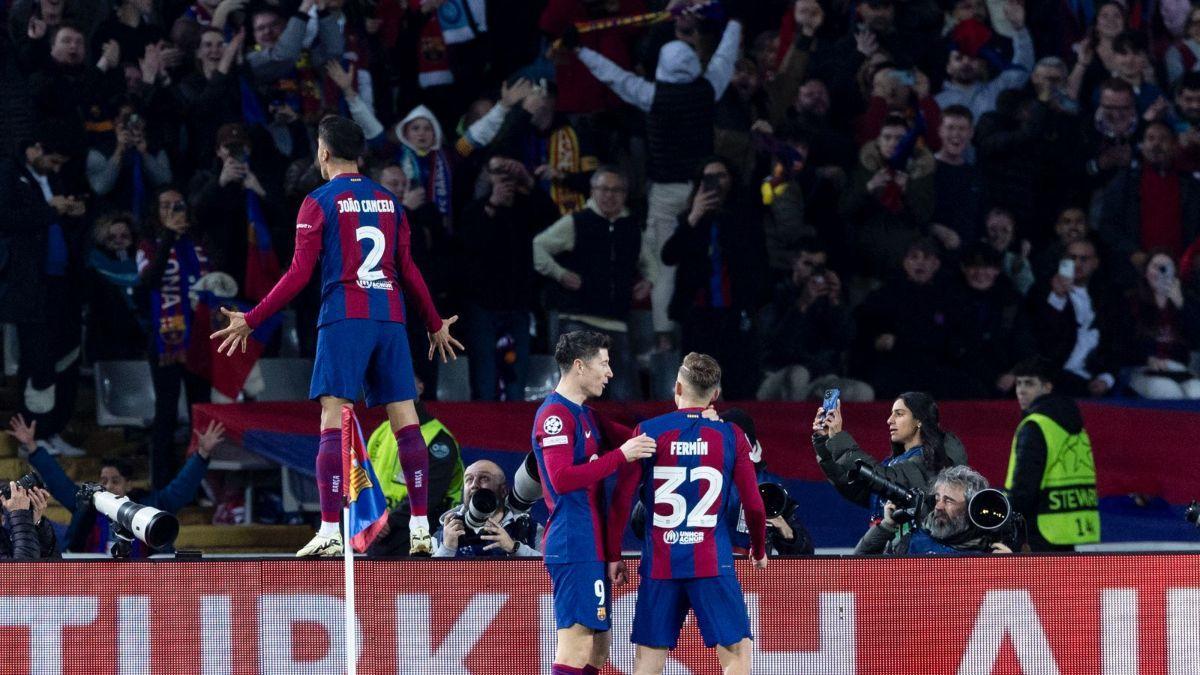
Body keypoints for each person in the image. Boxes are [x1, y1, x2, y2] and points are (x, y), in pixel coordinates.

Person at [210, 115, 463, 557]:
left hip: (345, 317)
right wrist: (435, 322)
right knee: (407, 420)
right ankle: (422, 525)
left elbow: (298, 275)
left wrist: (252, 319)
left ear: (323, 153)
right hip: (390, 318)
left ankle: (329, 529)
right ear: (359, 154)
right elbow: (409, 270)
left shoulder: (318, 201)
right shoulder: (389, 200)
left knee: (334, 420)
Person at [605, 352, 766, 675]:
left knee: (647, 663)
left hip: (660, 565)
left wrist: (613, 554)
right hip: (711, 562)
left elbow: (621, 501)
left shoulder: (648, 431)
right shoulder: (731, 436)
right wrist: (758, 549)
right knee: (736, 658)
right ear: (715, 396)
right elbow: (754, 504)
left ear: (677, 387)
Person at [531, 330, 655, 675]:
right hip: (573, 543)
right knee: (575, 646)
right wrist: (620, 456)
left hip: (592, 544)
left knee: (598, 650)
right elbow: (562, 478)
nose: (610, 372)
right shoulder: (555, 415)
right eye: (604, 363)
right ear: (579, 366)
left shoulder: (586, 414)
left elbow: (640, 438)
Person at [10, 413, 220, 557]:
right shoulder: (87, 505)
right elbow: (58, 481)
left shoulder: (150, 506)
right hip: (91, 582)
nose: (108, 486)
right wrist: (32, 447)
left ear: (128, 485)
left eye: (115, 481)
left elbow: (181, 488)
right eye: (103, 481)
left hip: (142, 582)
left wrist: (202, 455)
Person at [532, 167, 655, 401]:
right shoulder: (576, 222)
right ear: (593, 191)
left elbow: (650, 262)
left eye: (616, 190)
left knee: (625, 398)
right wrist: (560, 273)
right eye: (604, 189)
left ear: (625, 193)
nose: (610, 195)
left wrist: (649, 281)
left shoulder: (631, 228)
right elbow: (538, 246)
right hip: (577, 321)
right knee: (578, 396)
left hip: (618, 322)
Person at [812, 391, 967, 549]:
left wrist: (838, 437)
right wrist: (825, 440)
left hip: (915, 556)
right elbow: (855, 487)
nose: (889, 420)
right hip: (889, 549)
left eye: (899, 414)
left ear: (919, 420)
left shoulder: (931, 463)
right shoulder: (896, 462)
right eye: (891, 414)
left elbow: (883, 479)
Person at [137, 186, 213, 490]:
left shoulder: (199, 244)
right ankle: (163, 486)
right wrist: (168, 237)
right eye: (164, 205)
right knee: (166, 413)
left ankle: (200, 483)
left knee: (201, 411)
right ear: (155, 213)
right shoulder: (148, 246)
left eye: (177, 204)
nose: (172, 211)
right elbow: (149, 282)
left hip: (200, 340)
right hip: (165, 341)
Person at [1006, 356, 1100, 552]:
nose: (1021, 391)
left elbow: (1025, 485)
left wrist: (1010, 518)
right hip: (1069, 526)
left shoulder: (1035, 426)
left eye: (1029, 384)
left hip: (1037, 528)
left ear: (1047, 387)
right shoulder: (1076, 425)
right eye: (1018, 384)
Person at [855, 465, 1013, 554]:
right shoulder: (910, 542)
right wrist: (885, 526)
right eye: (937, 498)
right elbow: (857, 572)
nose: (938, 506)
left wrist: (1012, 571)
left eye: (949, 500)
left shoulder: (991, 554)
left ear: (971, 508)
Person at [1124, 252, 1200, 398]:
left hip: (1179, 370)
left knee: (1198, 393)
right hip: (1143, 369)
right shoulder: (1131, 302)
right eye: (1155, 267)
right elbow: (1122, 343)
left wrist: (1182, 306)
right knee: (1169, 392)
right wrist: (1147, 358)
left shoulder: (1187, 302)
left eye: (1165, 268)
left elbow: (1196, 339)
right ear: (1146, 272)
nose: (1160, 272)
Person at [433, 460, 541, 557]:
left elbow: (552, 574)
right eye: (469, 479)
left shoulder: (530, 529)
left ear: (503, 491)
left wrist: (514, 548)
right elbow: (423, 577)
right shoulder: (445, 532)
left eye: (484, 478)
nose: (474, 485)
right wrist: (446, 550)